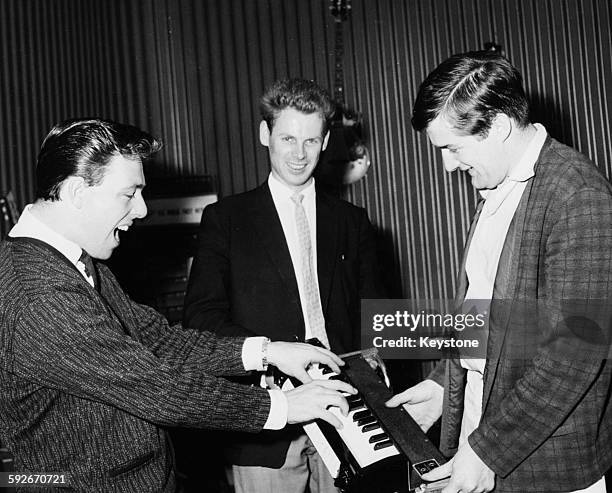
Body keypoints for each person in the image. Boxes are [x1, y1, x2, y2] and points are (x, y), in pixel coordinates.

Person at [0, 118, 358, 492]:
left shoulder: (73, 262)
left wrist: (267, 352)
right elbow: (159, 389)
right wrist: (283, 406)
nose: (141, 210)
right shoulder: (37, 294)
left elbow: (161, 342)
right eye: (129, 193)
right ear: (77, 192)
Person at [386, 51, 612, 492]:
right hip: (484, 428)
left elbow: (573, 357)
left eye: (453, 147)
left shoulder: (577, 195)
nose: (448, 165)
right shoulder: (496, 183)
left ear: (501, 127)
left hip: (543, 462)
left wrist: (489, 449)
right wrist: (440, 387)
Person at [183, 78, 384, 492]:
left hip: (346, 413)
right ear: (264, 134)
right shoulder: (225, 220)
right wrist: (267, 360)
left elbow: (374, 316)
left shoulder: (353, 222)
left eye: (311, 140)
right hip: (266, 421)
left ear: (326, 141)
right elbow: (201, 319)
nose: (299, 154)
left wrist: (375, 355)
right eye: (288, 138)